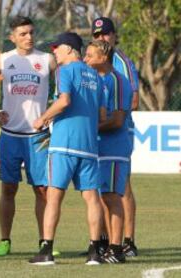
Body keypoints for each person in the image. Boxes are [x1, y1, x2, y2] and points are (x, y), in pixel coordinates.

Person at [0, 16, 56, 256]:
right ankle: (5, 241)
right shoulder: (3, 60)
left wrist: (53, 109)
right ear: (12, 37)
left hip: (38, 136)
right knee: (9, 188)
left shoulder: (47, 60)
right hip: (10, 135)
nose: (29, 37)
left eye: (31, 32)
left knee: (42, 190)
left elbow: (66, 87)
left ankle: (46, 242)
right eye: (22, 34)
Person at [29, 32, 105, 266]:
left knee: (54, 196)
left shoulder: (64, 71)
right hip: (89, 145)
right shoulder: (96, 77)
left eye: (57, 47)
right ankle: (94, 251)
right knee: (92, 198)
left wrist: (42, 119)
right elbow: (102, 115)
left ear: (71, 49)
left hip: (63, 144)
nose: (54, 51)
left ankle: (47, 250)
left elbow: (64, 101)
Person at [92, 16, 139, 256]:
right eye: (97, 35)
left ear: (114, 35)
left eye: (106, 34)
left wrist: (109, 118)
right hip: (101, 131)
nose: (102, 38)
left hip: (119, 129)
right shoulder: (92, 62)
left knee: (122, 187)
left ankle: (127, 240)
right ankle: (103, 240)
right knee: (101, 187)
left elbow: (133, 99)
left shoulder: (122, 62)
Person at [84, 40, 133, 263]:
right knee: (103, 197)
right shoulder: (98, 80)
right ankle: (104, 245)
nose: (86, 59)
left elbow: (117, 120)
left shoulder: (117, 80)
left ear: (103, 57)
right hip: (100, 147)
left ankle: (116, 249)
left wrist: (88, 128)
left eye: (90, 55)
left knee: (112, 197)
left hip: (114, 148)